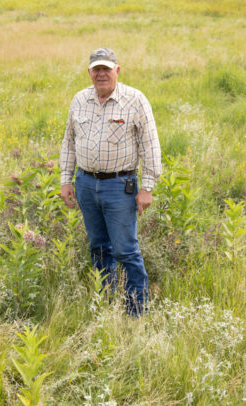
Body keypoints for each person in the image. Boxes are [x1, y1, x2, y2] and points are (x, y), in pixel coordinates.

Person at [59, 47, 162, 317]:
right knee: (99, 248)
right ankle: (106, 305)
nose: (101, 74)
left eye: (107, 68)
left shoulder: (135, 100)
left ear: (117, 70)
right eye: (97, 69)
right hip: (85, 183)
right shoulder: (79, 100)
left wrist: (147, 187)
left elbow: (151, 146)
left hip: (120, 187)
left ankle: (136, 312)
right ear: (89, 72)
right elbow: (69, 143)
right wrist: (65, 181)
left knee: (126, 251)